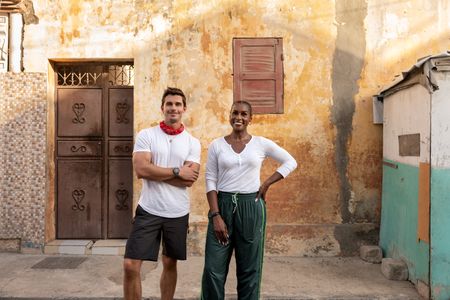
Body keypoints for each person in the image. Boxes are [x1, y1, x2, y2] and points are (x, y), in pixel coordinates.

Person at [201, 101, 297, 300]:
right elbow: (210, 180)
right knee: (213, 269)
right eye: (235, 113)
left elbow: (290, 162)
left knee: (249, 269)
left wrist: (267, 183)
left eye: (244, 114)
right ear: (229, 115)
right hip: (223, 205)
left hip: (251, 207)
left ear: (250, 118)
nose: (239, 117)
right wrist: (216, 215)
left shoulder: (261, 143)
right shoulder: (217, 145)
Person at [123, 87, 201, 300]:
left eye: (177, 104)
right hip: (149, 209)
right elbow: (141, 170)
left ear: (184, 108)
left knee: (169, 262)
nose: (173, 108)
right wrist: (177, 171)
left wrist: (154, 171)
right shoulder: (147, 135)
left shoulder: (192, 142)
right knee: (130, 265)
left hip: (177, 212)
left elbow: (189, 180)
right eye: (169, 104)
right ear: (162, 108)